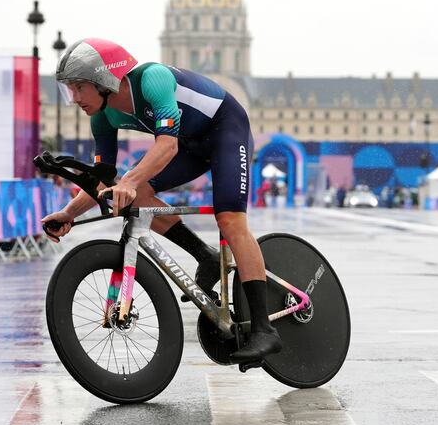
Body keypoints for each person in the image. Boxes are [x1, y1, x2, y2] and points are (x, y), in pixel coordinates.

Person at [41, 38, 281, 363]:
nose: (75, 99)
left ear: (104, 80)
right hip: (189, 144)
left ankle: (265, 329)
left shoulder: (153, 79)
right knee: (136, 193)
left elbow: (166, 146)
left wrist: (128, 180)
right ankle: (205, 256)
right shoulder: (102, 116)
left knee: (229, 220)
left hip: (225, 130)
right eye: (70, 90)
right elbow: (103, 177)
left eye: (80, 87)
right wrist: (69, 213)